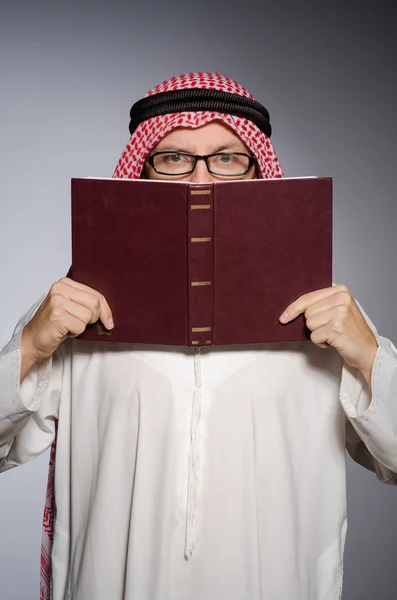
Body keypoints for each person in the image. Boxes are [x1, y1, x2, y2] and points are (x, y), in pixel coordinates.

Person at [0, 72, 396, 600]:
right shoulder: (74, 306)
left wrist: (369, 357)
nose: (200, 179)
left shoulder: (328, 314)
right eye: (174, 158)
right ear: (142, 170)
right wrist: (29, 346)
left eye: (227, 158)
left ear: (258, 172)